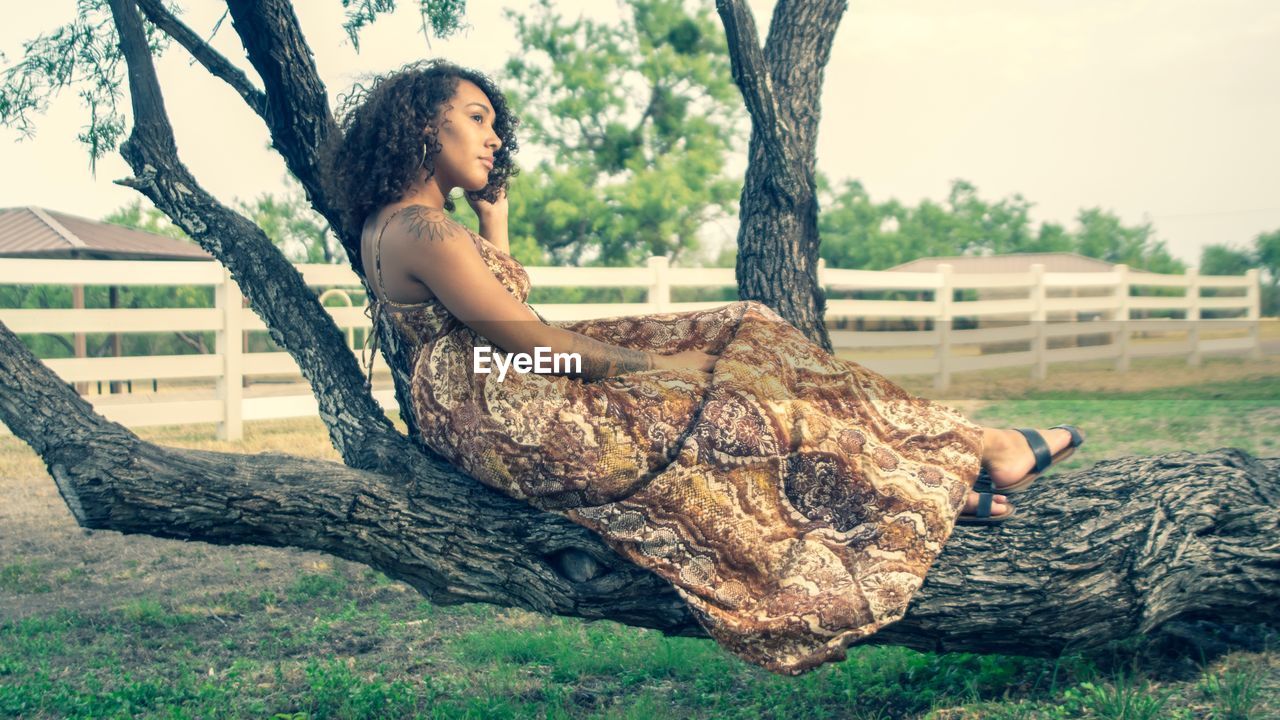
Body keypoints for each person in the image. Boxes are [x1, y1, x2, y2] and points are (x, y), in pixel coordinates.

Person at [321, 60, 1084, 675]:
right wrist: (650, 366)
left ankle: (940, 461)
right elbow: (525, 342)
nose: (494, 138)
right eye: (476, 118)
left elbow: (502, 315)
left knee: (743, 334)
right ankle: (953, 462)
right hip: (515, 405)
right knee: (725, 401)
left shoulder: (404, 221)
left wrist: (496, 224)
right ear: (424, 124)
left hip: (492, 397)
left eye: (494, 124)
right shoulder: (421, 227)